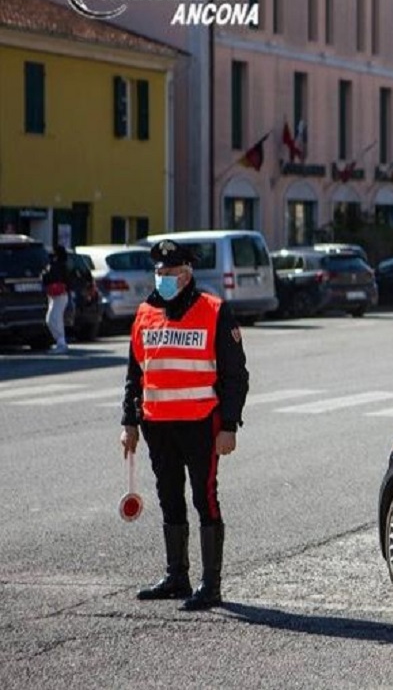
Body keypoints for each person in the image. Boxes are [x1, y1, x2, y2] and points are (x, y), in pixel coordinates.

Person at [119, 239, 250, 611]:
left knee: (204, 498)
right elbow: (135, 375)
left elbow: (235, 375)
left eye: (171, 273)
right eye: (159, 273)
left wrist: (229, 426)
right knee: (169, 498)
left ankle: (211, 584)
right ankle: (177, 576)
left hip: (200, 424)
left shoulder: (214, 310)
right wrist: (129, 422)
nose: (163, 278)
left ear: (188, 273)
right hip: (157, 425)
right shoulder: (145, 313)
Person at [41, 244, 72, 354]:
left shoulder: (56, 265)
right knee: (52, 319)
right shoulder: (62, 264)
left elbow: (48, 277)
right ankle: (60, 341)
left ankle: (61, 343)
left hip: (59, 295)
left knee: (54, 319)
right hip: (57, 295)